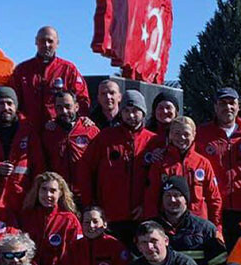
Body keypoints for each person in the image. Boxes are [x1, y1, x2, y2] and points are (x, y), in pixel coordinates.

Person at [78, 90, 154, 244]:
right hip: (110, 216)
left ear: (143, 112)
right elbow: (85, 170)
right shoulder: (105, 138)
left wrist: (146, 205)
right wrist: (91, 206)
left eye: (135, 111)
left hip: (140, 217)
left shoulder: (153, 141)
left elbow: (156, 181)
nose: (131, 116)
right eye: (126, 111)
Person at [195, 88, 241, 247]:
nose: (228, 107)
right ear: (215, 107)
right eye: (223, 103)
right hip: (213, 208)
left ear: (239, 106)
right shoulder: (202, 134)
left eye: (232, 103)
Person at [143, 117, 223, 232]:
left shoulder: (202, 163)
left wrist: (217, 228)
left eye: (186, 134)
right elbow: (151, 197)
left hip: (198, 228)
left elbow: (214, 199)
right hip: (168, 227)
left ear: (194, 135)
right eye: (177, 133)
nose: (181, 138)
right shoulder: (160, 163)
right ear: (170, 135)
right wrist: (152, 227)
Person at [10, 26, 90, 130]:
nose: (46, 45)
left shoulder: (68, 69)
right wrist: (23, 123)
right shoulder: (22, 70)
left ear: (57, 43)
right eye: (42, 41)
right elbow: (13, 101)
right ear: (36, 42)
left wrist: (75, 124)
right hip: (29, 132)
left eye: (50, 41)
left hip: (58, 133)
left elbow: (82, 100)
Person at [18, 171, 82, 265]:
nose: (48, 195)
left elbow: (77, 253)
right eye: (44, 189)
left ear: (60, 193)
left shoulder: (69, 220)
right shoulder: (27, 216)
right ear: (37, 191)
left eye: (53, 191)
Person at [42, 89, 100, 199]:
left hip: (86, 193)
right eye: (59, 107)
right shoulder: (49, 133)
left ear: (76, 107)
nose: (64, 111)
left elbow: (100, 164)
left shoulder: (90, 130)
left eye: (68, 106)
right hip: (60, 194)